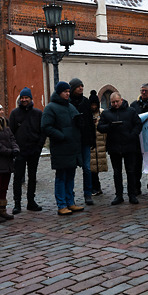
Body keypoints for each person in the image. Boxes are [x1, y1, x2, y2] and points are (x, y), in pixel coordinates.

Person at [41, 81, 84, 216]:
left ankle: (70, 202)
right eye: (65, 91)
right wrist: (61, 135)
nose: (67, 94)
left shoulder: (70, 106)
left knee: (70, 176)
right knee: (61, 177)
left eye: (68, 91)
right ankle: (61, 204)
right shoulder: (51, 108)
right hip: (60, 147)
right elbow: (46, 127)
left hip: (72, 147)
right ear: (59, 92)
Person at [97, 92, 142, 205]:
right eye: (113, 102)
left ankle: (132, 194)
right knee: (117, 172)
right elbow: (100, 127)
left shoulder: (130, 111)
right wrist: (110, 126)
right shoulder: (106, 113)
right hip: (114, 147)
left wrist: (133, 135)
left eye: (117, 101)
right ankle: (119, 195)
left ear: (121, 100)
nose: (115, 104)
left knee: (131, 171)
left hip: (129, 146)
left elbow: (138, 124)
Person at [9, 87, 45, 213]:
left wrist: (39, 147)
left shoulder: (38, 113)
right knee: (18, 178)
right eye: (22, 98)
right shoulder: (14, 114)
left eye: (26, 98)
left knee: (32, 177)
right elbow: (11, 133)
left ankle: (31, 201)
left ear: (30, 99)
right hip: (20, 151)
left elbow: (42, 132)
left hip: (33, 151)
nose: (24, 100)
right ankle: (17, 203)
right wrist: (14, 149)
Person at [69, 78, 96, 206]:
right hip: (73, 140)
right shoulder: (68, 103)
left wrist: (93, 139)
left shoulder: (85, 101)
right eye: (78, 86)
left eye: (82, 86)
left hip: (85, 139)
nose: (81, 88)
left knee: (87, 168)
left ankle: (88, 194)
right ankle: (71, 195)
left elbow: (90, 121)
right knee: (72, 169)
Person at [131, 83, 148, 195]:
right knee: (137, 165)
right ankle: (137, 187)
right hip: (138, 140)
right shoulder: (134, 105)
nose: (143, 92)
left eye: (145, 90)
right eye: (142, 90)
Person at [88, 91, 108, 196]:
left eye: (95, 105)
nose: (93, 107)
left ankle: (97, 186)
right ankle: (94, 187)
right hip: (91, 145)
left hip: (101, 144)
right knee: (92, 169)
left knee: (97, 167)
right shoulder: (87, 115)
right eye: (92, 105)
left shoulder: (102, 113)